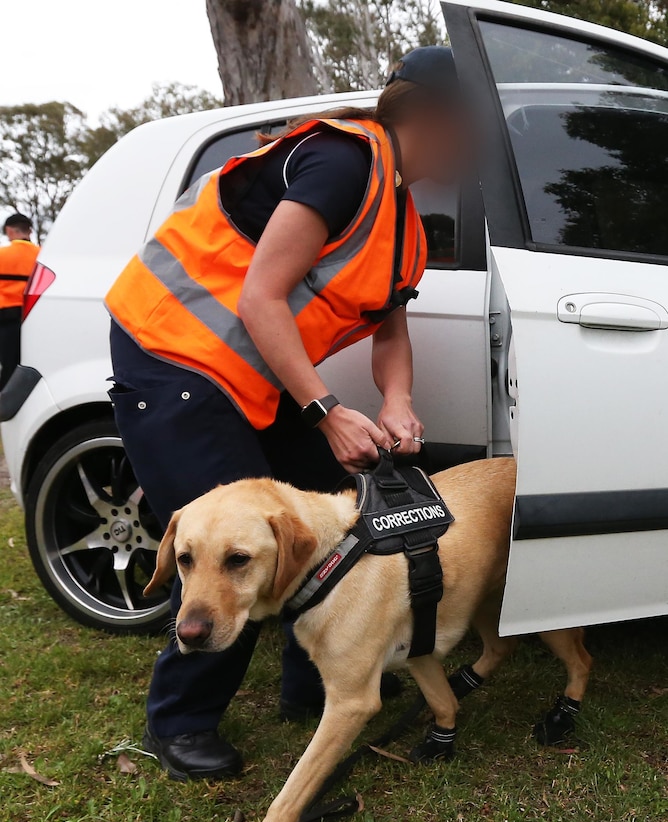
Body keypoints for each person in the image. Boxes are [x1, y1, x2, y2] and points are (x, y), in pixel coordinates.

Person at [105, 46, 469, 782]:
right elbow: (260, 296)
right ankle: (181, 720)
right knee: (232, 538)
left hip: (251, 375)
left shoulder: (407, 224)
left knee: (334, 517)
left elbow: (390, 329)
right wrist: (327, 410)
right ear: (428, 115)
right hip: (171, 350)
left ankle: (319, 683)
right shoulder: (347, 161)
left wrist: (396, 401)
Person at [0, 213, 39, 389]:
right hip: (34, 318)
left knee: (8, 365)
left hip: (5, 319)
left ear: (9, 231)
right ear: (29, 231)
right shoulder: (42, 255)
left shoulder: (2, 255)